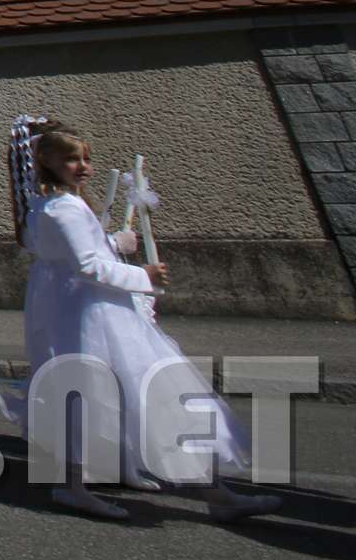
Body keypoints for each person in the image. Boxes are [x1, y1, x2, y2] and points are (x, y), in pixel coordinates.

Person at [16, 124, 280, 522]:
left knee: (96, 391)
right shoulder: (65, 207)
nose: (83, 166)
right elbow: (87, 266)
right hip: (93, 311)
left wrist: (112, 242)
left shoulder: (45, 205)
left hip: (72, 306)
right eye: (72, 158)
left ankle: (103, 475)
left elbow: (70, 255)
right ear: (47, 161)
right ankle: (209, 493)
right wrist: (145, 275)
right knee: (145, 390)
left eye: (86, 158)